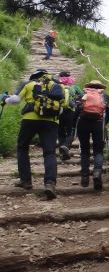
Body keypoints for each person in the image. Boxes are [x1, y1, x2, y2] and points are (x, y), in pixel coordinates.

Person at [1, 69, 68, 199]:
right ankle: (50, 183)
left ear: (34, 76)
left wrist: (5, 98)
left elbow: (15, 100)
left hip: (30, 120)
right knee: (49, 152)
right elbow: (63, 106)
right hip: (51, 122)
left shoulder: (28, 84)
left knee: (22, 147)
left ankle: (25, 181)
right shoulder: (57, 86)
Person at [76, 80, 109, 191]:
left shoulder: (82, 95)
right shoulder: (105, 96)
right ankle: (97, 172)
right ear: (100, 87)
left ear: (89, 86)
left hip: (83, 123)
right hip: (98, 123)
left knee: (84, 150)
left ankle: (85, 178)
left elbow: (77, 111)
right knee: (98, 150)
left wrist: (73, 126)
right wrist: (104, 124)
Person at [57, 71, 82, 160]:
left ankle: (62, 152)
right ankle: (66, 146)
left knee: (60, 131)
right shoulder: (74, 87)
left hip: (58, 111)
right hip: (71, 111)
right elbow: (82, 96)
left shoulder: (57, 86)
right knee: (71, 130)